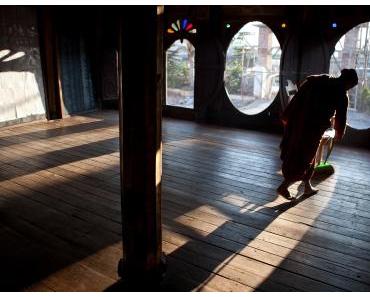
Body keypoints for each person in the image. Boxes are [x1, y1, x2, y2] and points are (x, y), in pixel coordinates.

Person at [277, 69, 358, 200]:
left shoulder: (317, 80)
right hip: (313, 128)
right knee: (304, 157)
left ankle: (307, 186)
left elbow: (297, 97)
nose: (349, 88)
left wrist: (287, 115)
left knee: (304, 154)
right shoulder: (341, 94)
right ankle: (284, 186)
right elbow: (341, 119)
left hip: (297, 121)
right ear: (348, 83)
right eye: (351, 86)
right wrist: (338, 133)